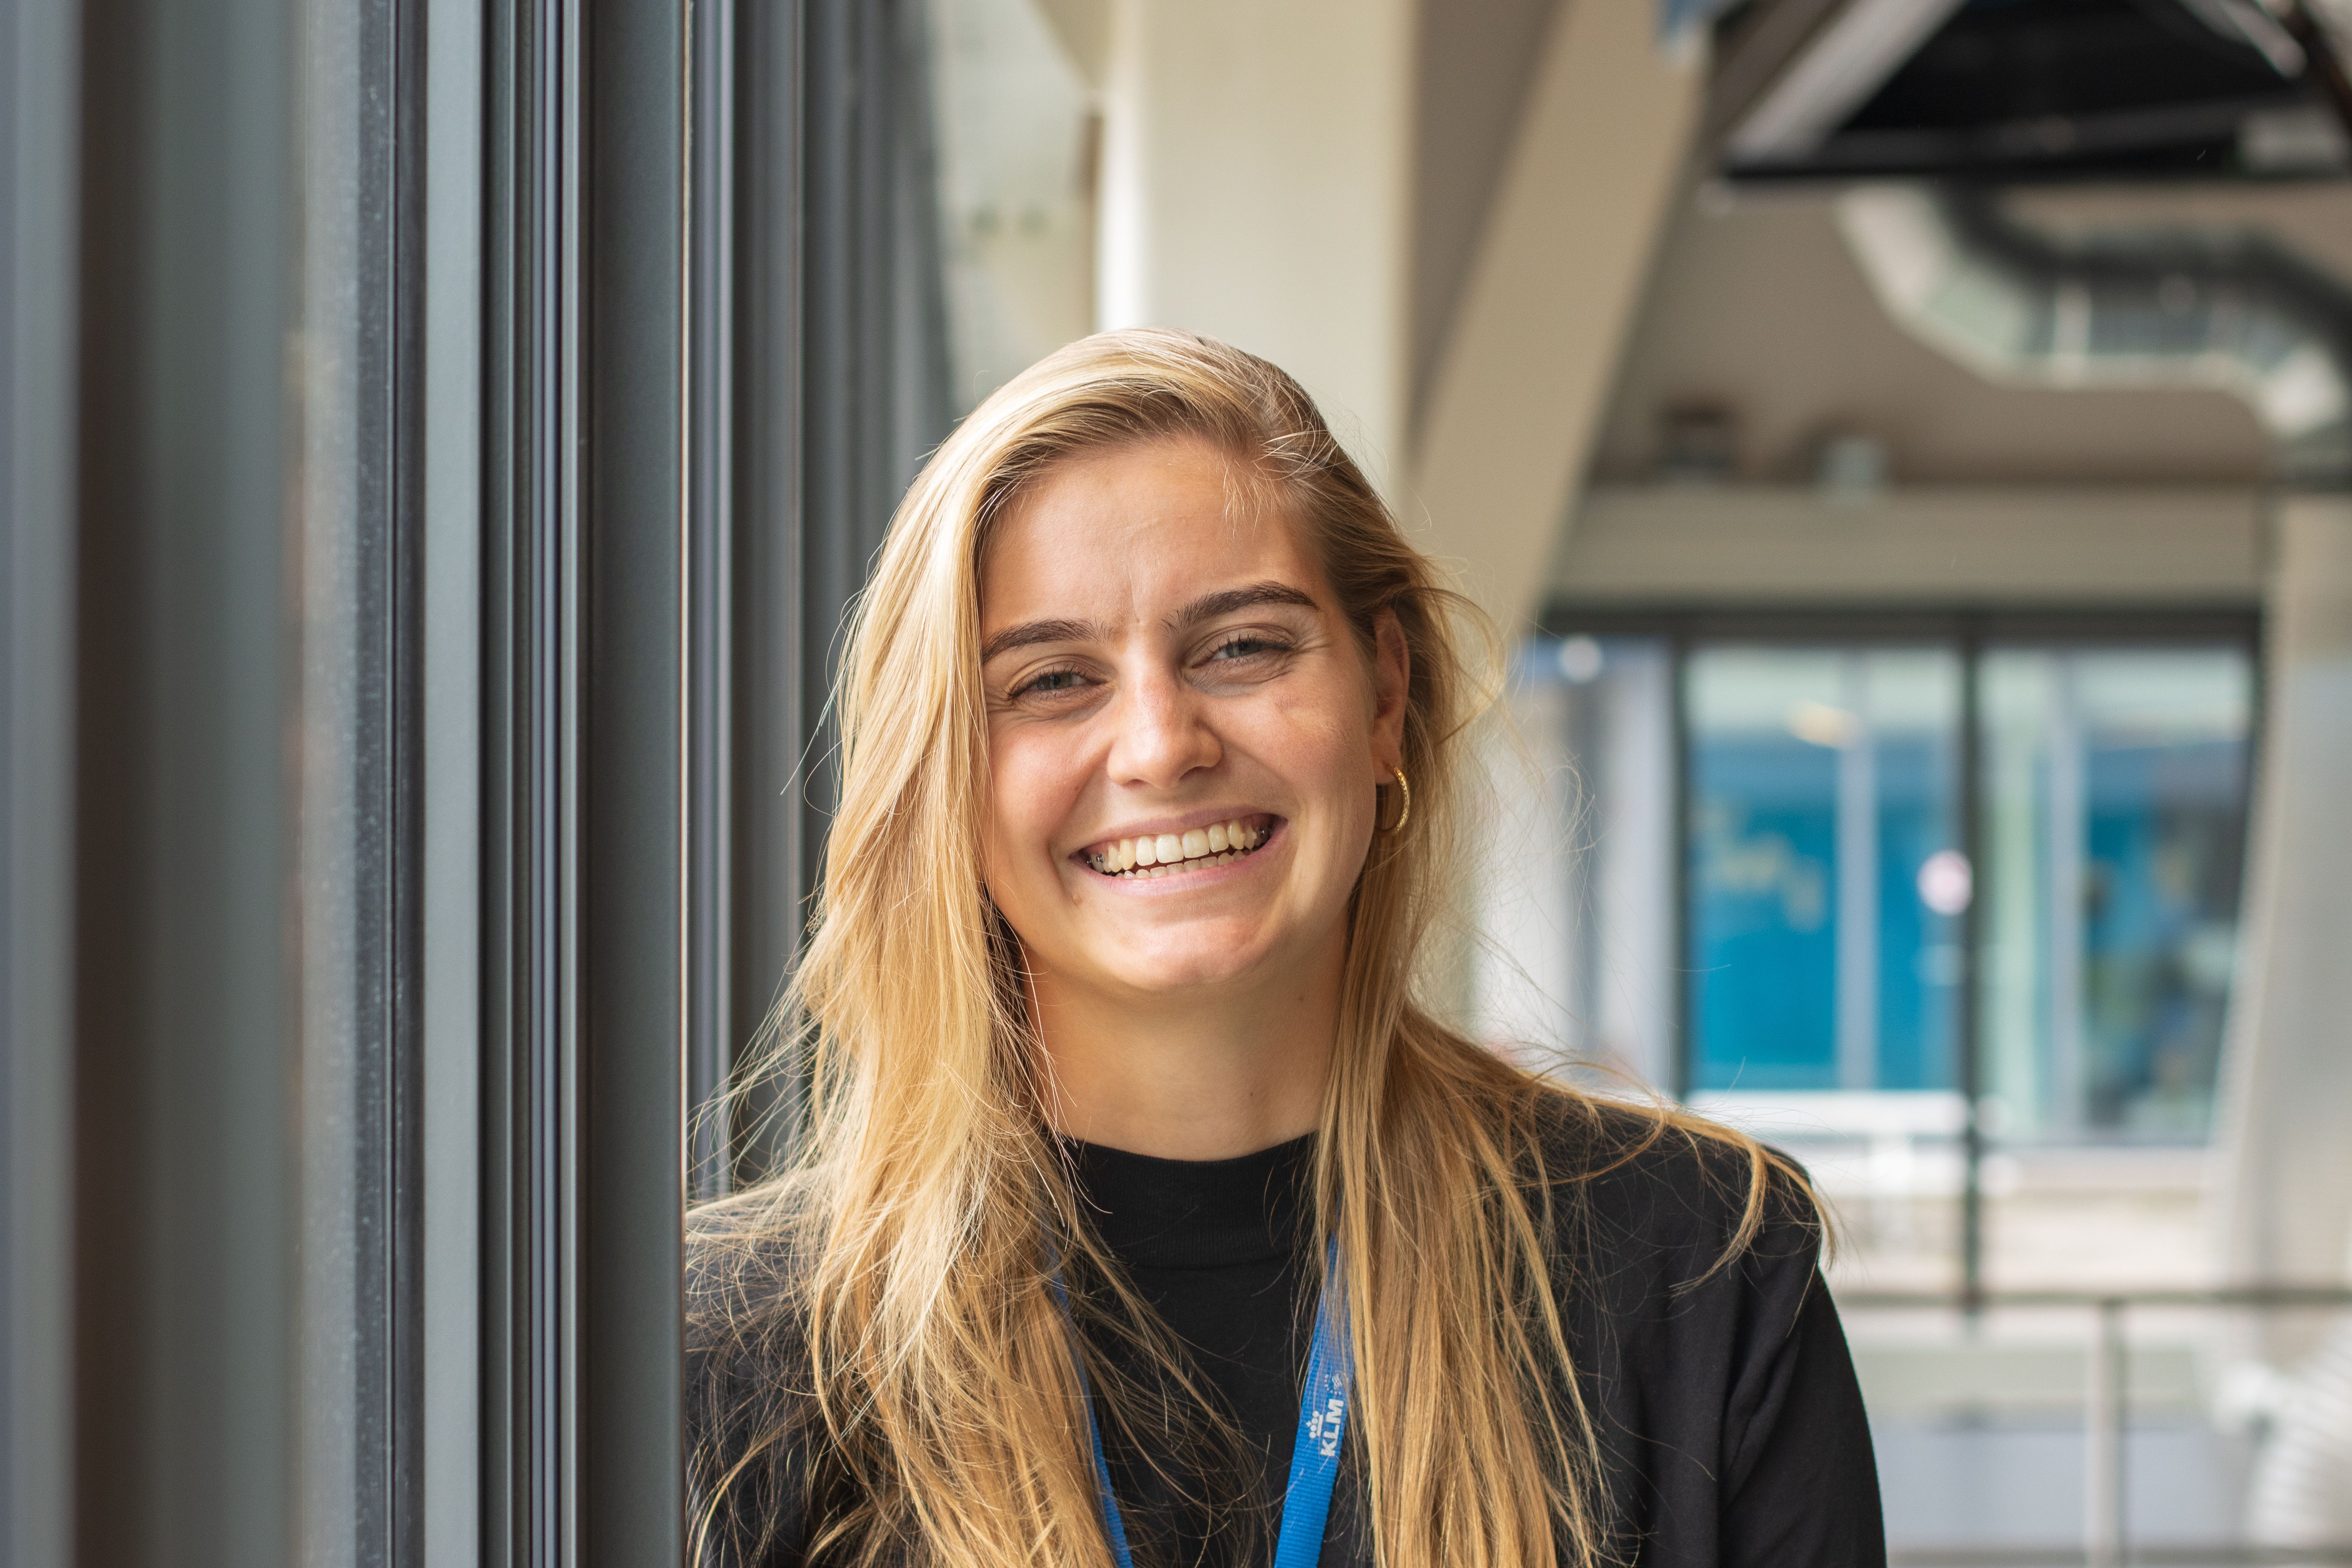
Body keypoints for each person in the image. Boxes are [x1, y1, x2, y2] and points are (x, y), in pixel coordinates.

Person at [686, 328, 1884, 1568]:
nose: (1161, 746)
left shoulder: (1697, 1268)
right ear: (942, 771)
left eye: (1241, 648)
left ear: (1383, 697)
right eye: (1049, 681)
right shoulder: (733, 1354)